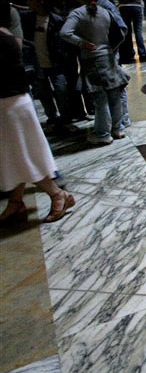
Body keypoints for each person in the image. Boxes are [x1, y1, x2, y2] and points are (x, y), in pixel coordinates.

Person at [0, 23, 75, 225]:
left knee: (21, 156)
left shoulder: (2, 38)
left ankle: (58, 194)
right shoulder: (6, 34)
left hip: (9, 105)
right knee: (13, 156)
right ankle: (16, 202)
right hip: (14, 103)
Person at [60, 0, 130, 144]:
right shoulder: (106, 12)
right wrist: (110, 49)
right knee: (114, 96)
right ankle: (117, 129)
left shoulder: (78, 13)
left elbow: (65, 33)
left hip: (92, 60)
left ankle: (103, 134)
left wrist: (81, 42)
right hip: (108, 58)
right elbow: (120, 34)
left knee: (100, 99)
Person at [28, 0, 69, 130]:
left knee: (61, 91)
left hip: (55, 63)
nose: (29, 3)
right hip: (38, 63)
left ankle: (64, 117)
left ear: (41, 2)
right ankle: (52, 117)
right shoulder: (29, 19)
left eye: (32, 0)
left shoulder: (56, 20)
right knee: (43, 93)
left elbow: (62, 43)